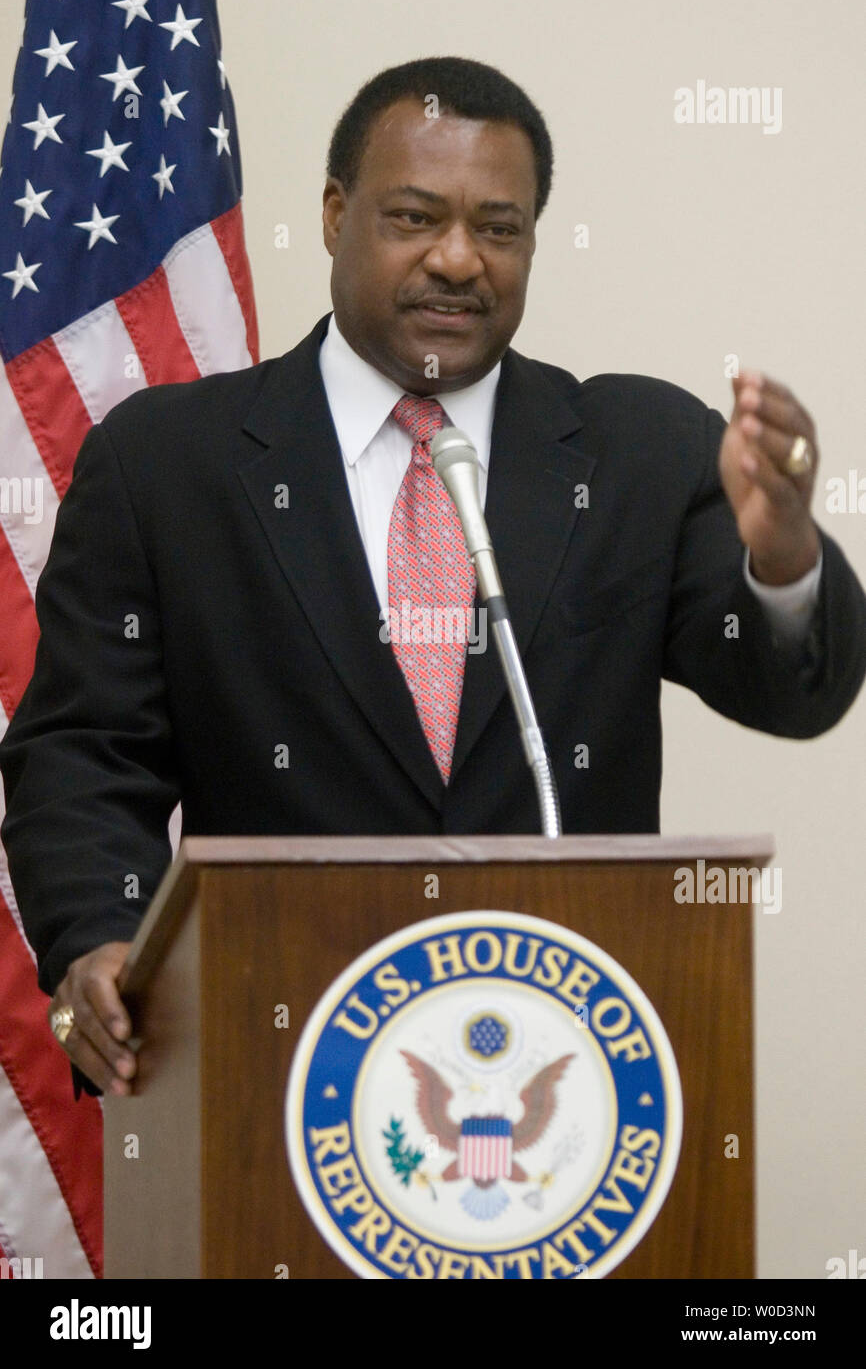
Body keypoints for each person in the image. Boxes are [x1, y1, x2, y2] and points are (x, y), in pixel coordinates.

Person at [2, 57, 865, 1101]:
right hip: (264, 1072)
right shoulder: (168, 462)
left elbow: (790, 689)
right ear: (332, 215)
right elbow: (85, 751)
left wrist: (780, 555)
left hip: (565, 1079)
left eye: (497, 229)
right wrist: (101, 937)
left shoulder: (632, 450)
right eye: (414, 217)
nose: (458, 260)